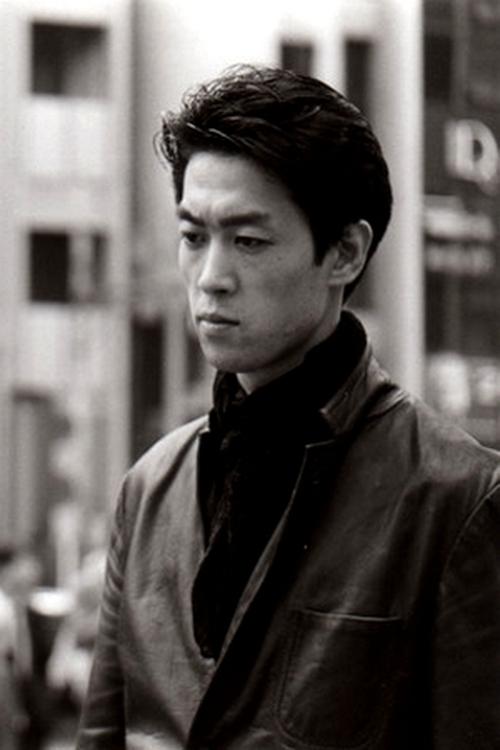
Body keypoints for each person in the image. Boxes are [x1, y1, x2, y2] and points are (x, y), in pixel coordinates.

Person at [76, 65, 500, 749]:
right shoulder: (150, 488)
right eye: (193, 237)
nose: (211, 278)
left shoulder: (457, 498)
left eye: (248, 241)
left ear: (345, 252)